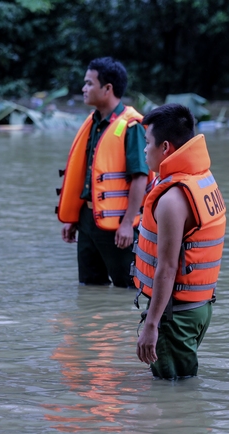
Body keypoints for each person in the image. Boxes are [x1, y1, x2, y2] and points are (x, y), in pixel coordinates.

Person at [133, 103, 226, 379]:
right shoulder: (203, 180)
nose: (144, 150)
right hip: (199, 307)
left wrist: (151, 325)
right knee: (181, 387)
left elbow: (167, 268)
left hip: (175, 316)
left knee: (171, 396)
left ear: (165, 148)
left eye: (147, 143)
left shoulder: (172, 199)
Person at [56, 57, 149, 287]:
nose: (83, 88)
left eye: (89, 83)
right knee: (89, 288)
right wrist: (74, 219)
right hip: (87, 222)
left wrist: (128, 224)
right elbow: (87, 177)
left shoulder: (131, 126)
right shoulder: (93, 122)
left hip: (119, 224)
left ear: (107, 89)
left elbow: (140, 177)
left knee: (127, 288)